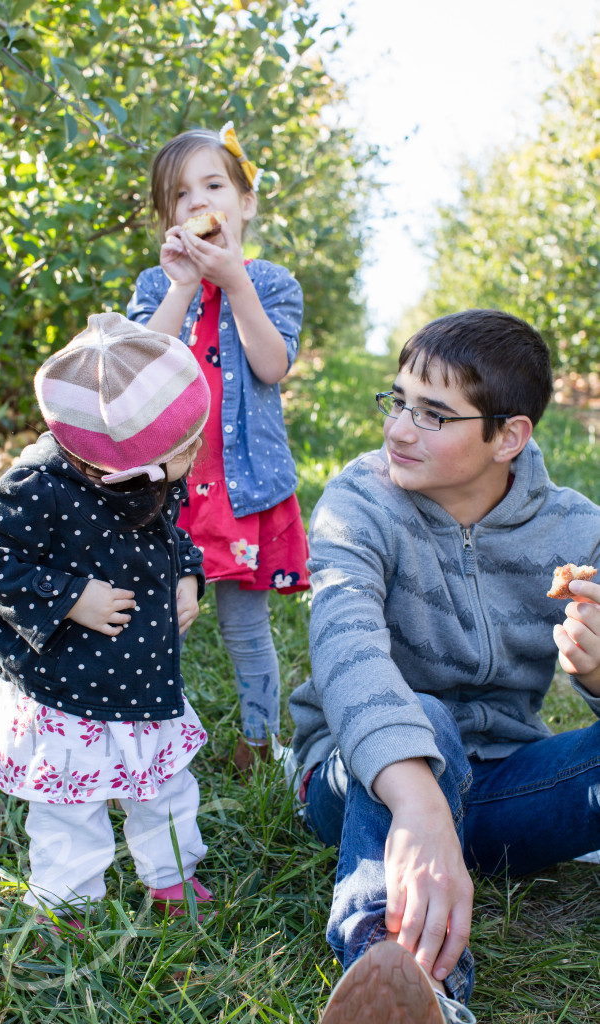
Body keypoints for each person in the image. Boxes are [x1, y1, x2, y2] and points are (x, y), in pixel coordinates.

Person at [288, 309, 600, 1023]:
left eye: (432, 415)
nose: (398, 429)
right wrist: (420, 801)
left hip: (498, 785)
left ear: (508, 437)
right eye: (397, 402)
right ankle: (407, 979)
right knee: (419, 715)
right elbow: (346, 645)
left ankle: (446, 841)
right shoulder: (360, 501)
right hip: (357, 775)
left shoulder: (576, 532)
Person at [0, 312, 215, 925]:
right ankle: (67, 896)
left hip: (141, 672)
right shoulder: (37, 487)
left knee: (163, 783)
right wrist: (72, 596)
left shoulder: (148, 476)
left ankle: (171, 875)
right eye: (187, 446)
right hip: (65, 681)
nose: (197, 453)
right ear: (124, 461)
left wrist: (188, 575)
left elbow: (171, 533)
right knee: (69, 803)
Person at [127, 122, 309, 770]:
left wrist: (235, 282)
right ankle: (154, 744)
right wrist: (180, 285)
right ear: (166, 218)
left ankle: (258, 740)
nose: (199, 201)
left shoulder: (272, 283)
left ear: (245, 202)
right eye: (181, 195)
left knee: (243, 626)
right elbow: (142, 372)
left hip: (239, 490)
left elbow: (271, 364)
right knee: (158, 621)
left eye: (213, 185)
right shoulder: (157, 286)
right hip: (163, 492)